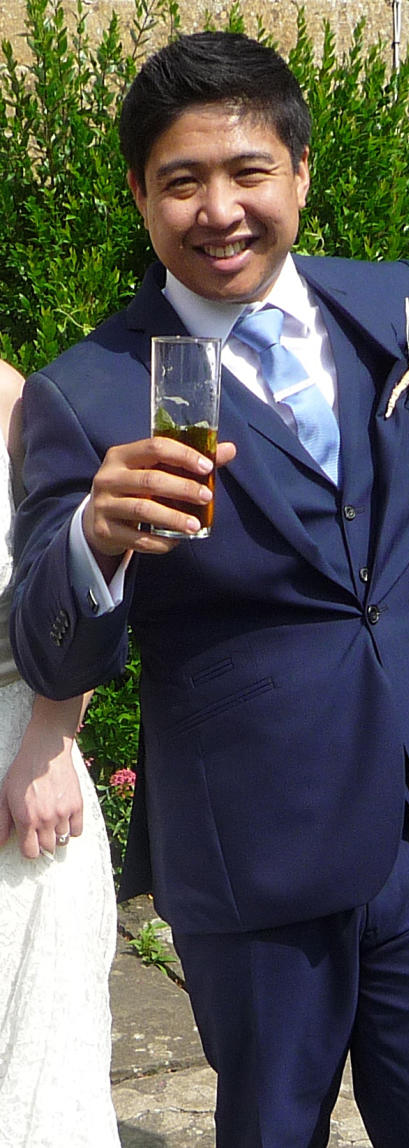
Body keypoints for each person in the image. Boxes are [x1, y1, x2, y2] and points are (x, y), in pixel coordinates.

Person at [10, 32, 409, 1148]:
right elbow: (51, 647)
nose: (219, 208)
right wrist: (95, 536)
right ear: (140, 194)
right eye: (182, 180)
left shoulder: (396, 306)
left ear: (300, 175)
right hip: (256, 846)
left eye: (248, 172)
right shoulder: (84, 391)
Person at [0, 358, 119, 1146]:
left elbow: (77, 580)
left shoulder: (18, 403)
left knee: (38, 1065)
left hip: (18, 755)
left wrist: (51, 737)